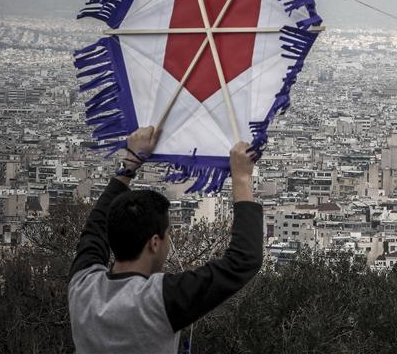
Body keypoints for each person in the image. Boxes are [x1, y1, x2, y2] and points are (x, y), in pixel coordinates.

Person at [68, 126, 263, 354]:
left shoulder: (82, 286)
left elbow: (96, 225)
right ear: (154, 242)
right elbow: (242, 260)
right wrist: (242, 178)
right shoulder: (158, 300)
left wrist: (129, 164)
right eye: (168, 233)